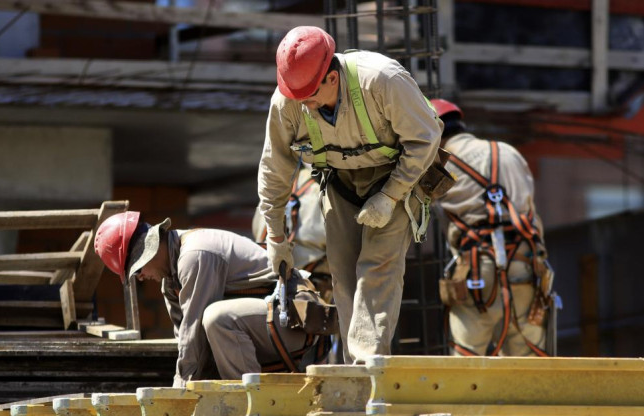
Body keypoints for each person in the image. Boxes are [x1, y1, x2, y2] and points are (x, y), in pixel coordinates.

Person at [258, 26, 442, 363]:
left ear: (332, 76)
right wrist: (276, 236)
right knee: (343, 274)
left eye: (310, 96)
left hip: (394, 177)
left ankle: (366, 368)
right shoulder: (288, 101)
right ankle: (351, 366)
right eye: (298, 97)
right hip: (339, 181)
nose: (305, 106)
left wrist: (390, 196)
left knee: (377, 269)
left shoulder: (382, 81)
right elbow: (275, 168)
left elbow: (425, 138)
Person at [93, 212, 330, 387]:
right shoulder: (170, 282)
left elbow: (193, 332)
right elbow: (187, 344)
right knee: (210, 331)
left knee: (217, 319)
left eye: (137, 270)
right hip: (266, 331)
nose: (141, 278)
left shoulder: (194, 256)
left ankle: (252, 403)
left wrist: (179, 393)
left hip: (295, 326)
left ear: (150, 249)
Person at [431, 98, 553, 357]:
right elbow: (530, 208)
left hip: (477, 272)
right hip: (526, 266)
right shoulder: (509, 152)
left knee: (466, 366)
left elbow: (413, 206)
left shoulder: (440, 164)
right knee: (528, 365)